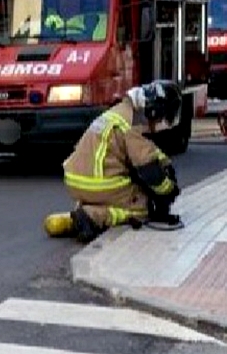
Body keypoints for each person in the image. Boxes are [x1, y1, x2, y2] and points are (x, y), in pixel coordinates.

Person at [44, 80, 182, 244]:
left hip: (75, 180)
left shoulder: (120, 111)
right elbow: (149, 170)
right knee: (141, 208)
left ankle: (85, 211)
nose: (160, 123)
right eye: (162, 117)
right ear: (154, 110)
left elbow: (144, 150)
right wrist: (168, 189)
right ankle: (92, 217)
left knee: (127, 189)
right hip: (98, 183)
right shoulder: (135, 123)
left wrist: (164, 161)